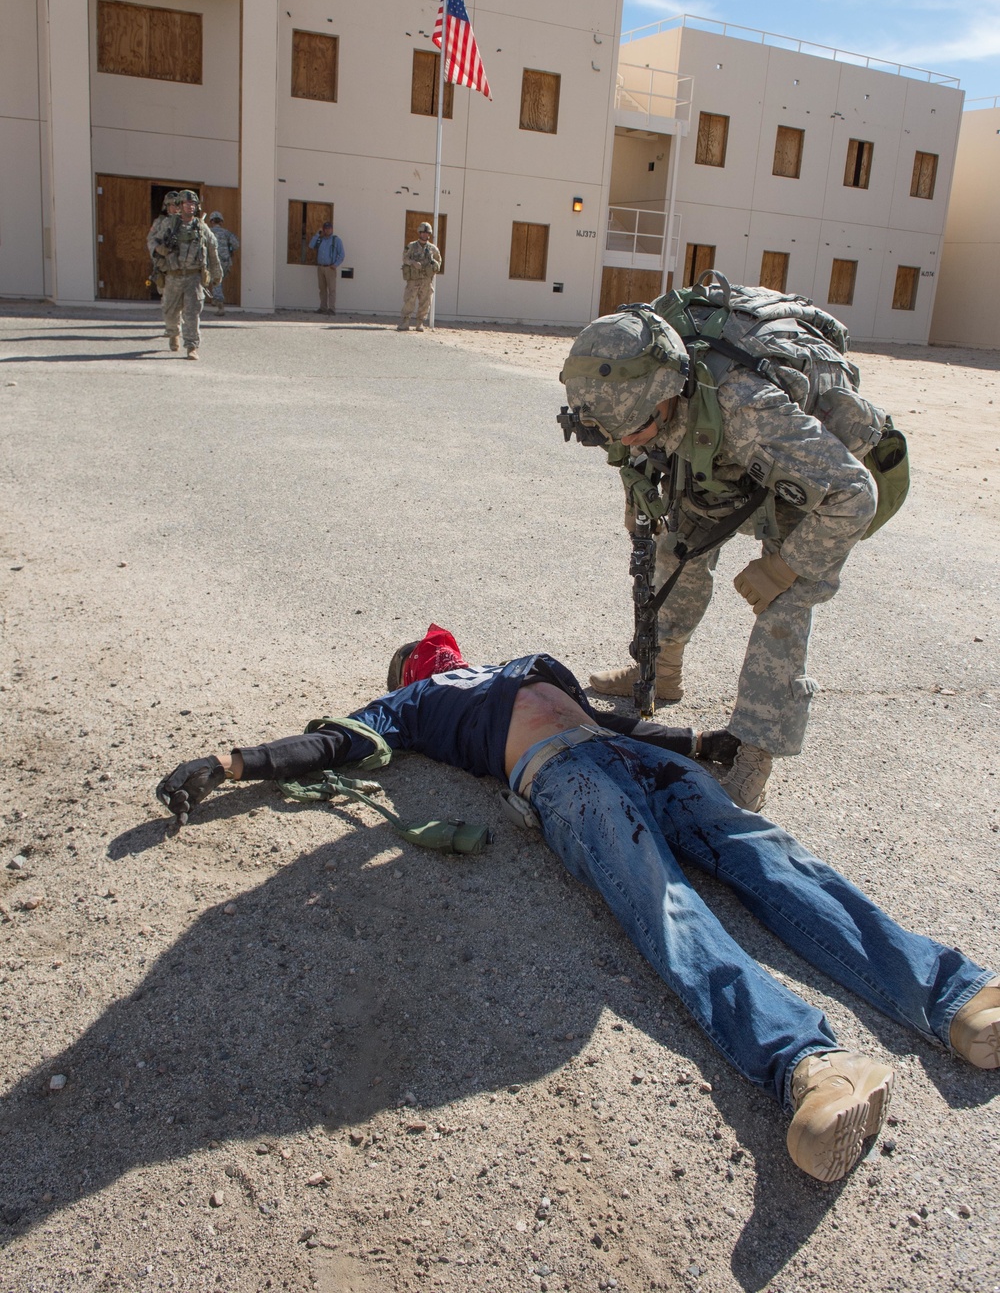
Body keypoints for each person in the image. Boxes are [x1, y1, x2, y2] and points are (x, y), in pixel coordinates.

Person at [154, 624, 999, 1185]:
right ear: (415, 670)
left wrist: (701, 743)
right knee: (666, 909)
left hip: (620, 756)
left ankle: (952, 997)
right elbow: (336, 741)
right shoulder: (409, 706)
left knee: (772, 858)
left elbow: (609, 716)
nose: (439, 652)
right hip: (564, 782)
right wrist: (235, 762)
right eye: (426, 654)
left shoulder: (526, 665)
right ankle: (808, 1069)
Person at [560, 307, 883, 812]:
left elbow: (854, 494)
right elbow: (631, 448)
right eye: (612, 431)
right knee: (679, 547)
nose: (623, 441)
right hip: (718, 456)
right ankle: (661, 667)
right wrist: (639, 496)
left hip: (807, 478)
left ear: (669, 396)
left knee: (785, 602)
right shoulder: (627, 388)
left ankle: (755, 749)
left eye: (634, 428)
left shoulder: (747, 410)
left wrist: (784, 566)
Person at [149, 189, 223, 360]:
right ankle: (174, 332)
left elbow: (213, 249)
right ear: (180, 206)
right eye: (186, 203)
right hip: (172, 276)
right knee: (170, 311)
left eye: (193, 204)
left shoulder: (201, 227)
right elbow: (152, 240)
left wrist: (216, 273)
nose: (190, 206)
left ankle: (191, 346)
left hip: (193, 277)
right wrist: (159, 249)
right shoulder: (168, 224)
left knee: (192, 313)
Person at [398, 222, 442, 332]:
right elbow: (404, 258)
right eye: (422, 232)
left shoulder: (433, 249)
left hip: (426, 280)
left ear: (429, 234)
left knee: (425, 302)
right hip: (413, 280)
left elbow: (439, 262)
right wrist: (413, 263)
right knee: (409, 301)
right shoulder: (411, 246)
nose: (424, 235)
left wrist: (434, 265)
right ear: (419, 233)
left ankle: (420, 323)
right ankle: (405, 322)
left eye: (427, 233)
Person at [145, 190, 181, 301]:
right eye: (172, 205)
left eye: (178, 205)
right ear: (166, 206)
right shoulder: (160, 222)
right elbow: (150, 239)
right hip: (165, 266)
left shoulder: (186, 222)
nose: (175, 208)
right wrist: (157, 249)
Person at [308, 221, 345, 315]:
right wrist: (317, 234)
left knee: (331, 289)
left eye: (329, 228)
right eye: (325, 228)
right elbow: (311, 245)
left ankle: (332, 309)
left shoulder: (336, 240)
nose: (327, 230)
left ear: (332, 229)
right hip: (320, 267)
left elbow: (342, 254)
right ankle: (323, 308)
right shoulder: (320, 240)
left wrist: (335, 264)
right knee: (322, 289)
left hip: (330, 268)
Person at [206, 211, 240, 317]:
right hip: (225, 261)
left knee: (216, 282)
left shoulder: (208, 232)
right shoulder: (227, 233)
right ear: (221, 222)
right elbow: (236, 245)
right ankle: (215, 300)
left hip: (212, 261)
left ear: (211, 221)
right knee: (218, 281)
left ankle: (220, 306)